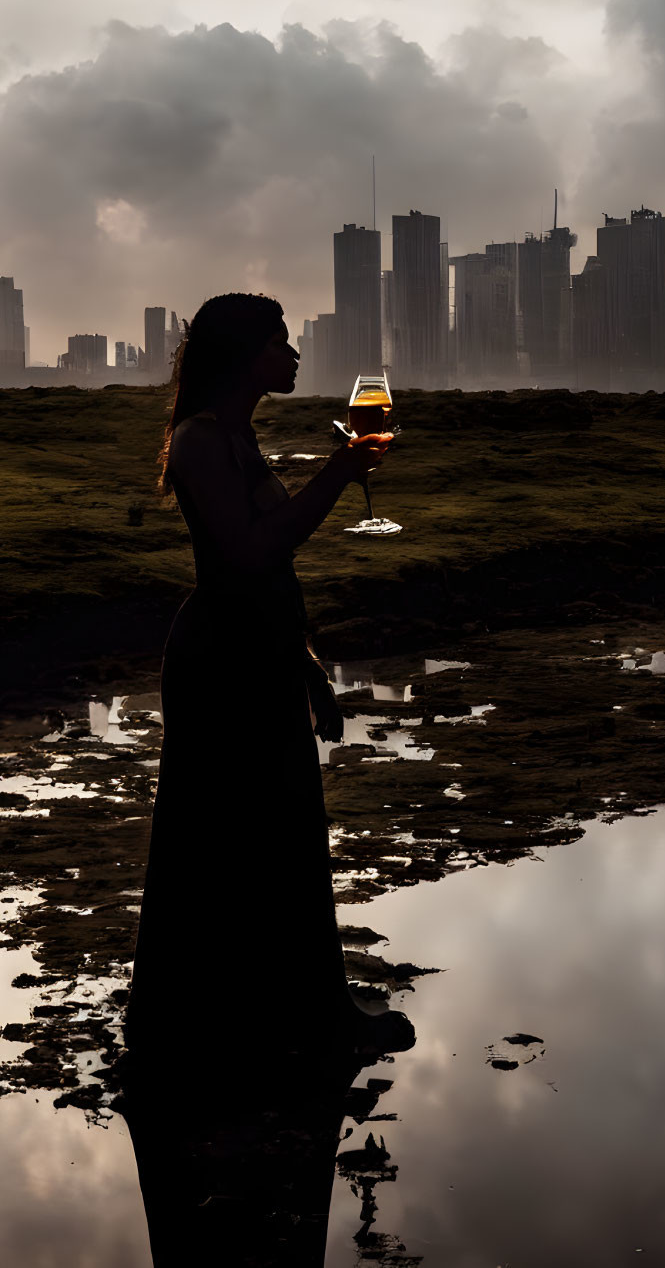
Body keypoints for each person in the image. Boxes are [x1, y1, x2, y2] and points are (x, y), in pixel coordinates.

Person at [124, 292, 410, 1067]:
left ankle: (299, 1015)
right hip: (222, 663)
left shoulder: (236, 437)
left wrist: (306, 664)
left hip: (260, 649)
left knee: (282, 838)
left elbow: (264, 575)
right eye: (278, 344)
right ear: (241, 354)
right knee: (223, 838)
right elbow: (250, 556)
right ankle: (226, 1028)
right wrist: (338, 473)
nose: (291, 356)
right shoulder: (198, 441)